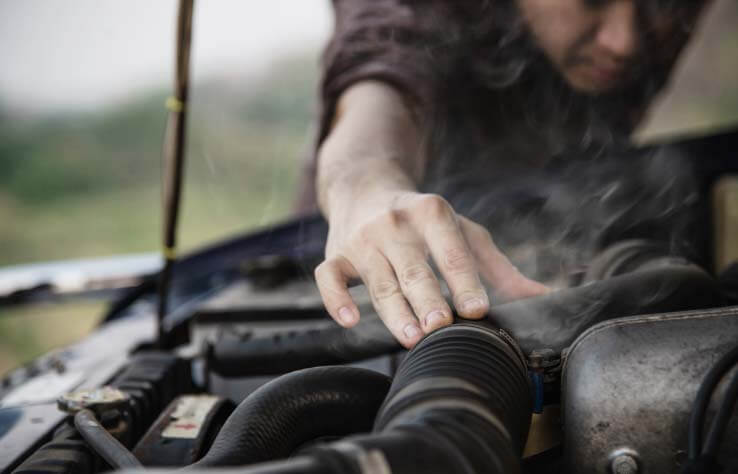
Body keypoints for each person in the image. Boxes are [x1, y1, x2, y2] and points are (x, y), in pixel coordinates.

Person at [301, 0, 714, 348]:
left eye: (663, 1)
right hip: (369, 262)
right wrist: (370, 191)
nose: (624, 42)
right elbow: (376, 87)